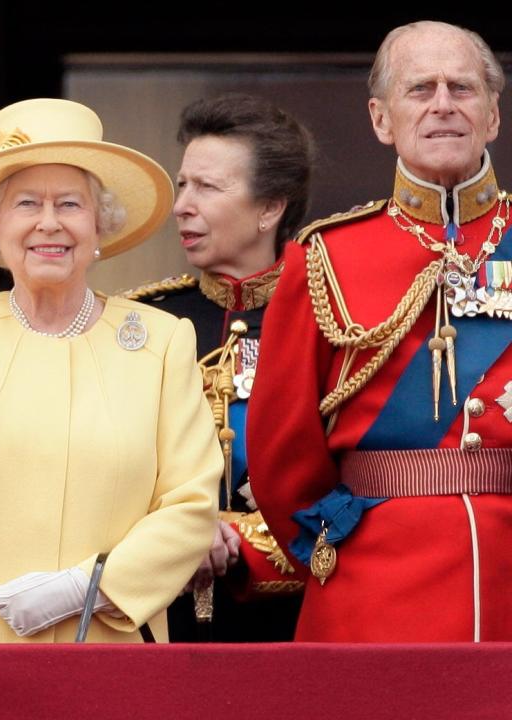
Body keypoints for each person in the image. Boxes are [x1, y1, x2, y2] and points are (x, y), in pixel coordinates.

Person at [0, 98, 222, 643]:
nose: (48, 223)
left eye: (71, 204)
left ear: (99, 225)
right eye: (27, 203)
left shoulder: (162, 341)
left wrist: (90, 588)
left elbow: (191, 506)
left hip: (101, 645)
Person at [248, 21, 512, 641]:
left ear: (493, 115)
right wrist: (335, 545)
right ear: (381, 119)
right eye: (420, 89)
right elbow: (282, 459)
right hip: (373, 589)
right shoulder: (323, 258)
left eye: (463, 89)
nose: (443, 104)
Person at [127, 94, 312, 641]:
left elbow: (354, 481)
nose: (183, 204)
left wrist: (239, 542)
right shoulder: (139, 322)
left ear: (269, 208)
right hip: (156, 619)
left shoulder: (329, 319)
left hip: (291, 627)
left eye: (207, 188)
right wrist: (179, 534)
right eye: (183, 184)